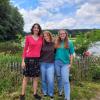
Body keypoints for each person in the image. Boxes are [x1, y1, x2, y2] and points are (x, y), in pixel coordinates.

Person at [20, 23, 43, 100]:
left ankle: (35, 94)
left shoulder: (41, 38)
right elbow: (25, 49)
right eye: (35, 27)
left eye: (37, 28)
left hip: (37, 60)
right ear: (32, 29)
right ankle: (22, 95)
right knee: (26, 77)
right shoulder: (28, 37)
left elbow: (49, 41)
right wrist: (23, 61)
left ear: (39, 29)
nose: (36, 29)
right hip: (28, 59)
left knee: (36, 78)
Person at [54, 29, 74, 100]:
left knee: (65, 80)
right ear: (59, 35)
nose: (62, 35)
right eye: (60, 34)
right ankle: (60, 91)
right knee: (59, 78)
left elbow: (71, 54)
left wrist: (70, 64)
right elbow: (53, 52)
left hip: (65, 64)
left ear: (66, 34)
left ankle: (67, 97)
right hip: (56, 63)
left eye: (63, 33)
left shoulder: (70, 43)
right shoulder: (56, 42)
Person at [40, 31, 55, 100]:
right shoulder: (41, 44)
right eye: (44, 36)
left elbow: (57, 52)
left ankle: (51, 93)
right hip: (42, 63)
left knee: (50, 80)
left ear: (50, 36)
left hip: (51, 64)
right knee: (43, 79)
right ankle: (45, 92)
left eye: (47, 36)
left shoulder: (53, 44)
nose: (46, 37)